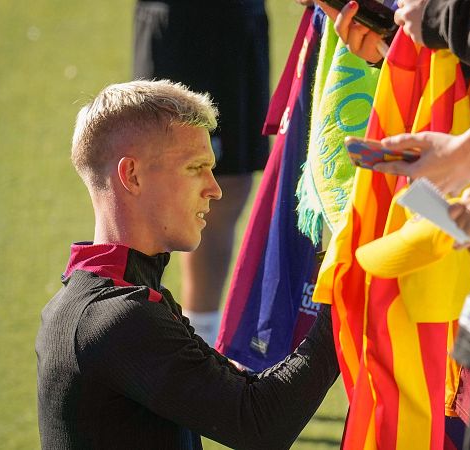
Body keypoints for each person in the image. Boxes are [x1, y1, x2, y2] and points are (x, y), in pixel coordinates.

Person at [35, 80, 339, 449]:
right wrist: (343, 298)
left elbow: (246, 396)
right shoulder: (118, 319)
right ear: (131, 175)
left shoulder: (98, 300)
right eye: (196, 167)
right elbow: (260, 422)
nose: (214, 188)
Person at [133, 0, 271, 343]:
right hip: (183, 21)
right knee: (162, 179)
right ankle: (134, 326)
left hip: (241, 18)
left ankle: (201, 339)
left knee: (226, 185)